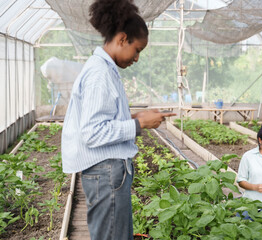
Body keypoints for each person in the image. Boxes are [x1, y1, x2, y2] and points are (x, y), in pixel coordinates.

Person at [61, 0, 176, 239]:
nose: (136, 59)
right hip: (105, 172)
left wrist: (136, 116)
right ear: (122, 39)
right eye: (137, 50)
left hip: (106, 172)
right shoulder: (100, 74)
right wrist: (139, 124)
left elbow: (104, 117)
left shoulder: (105, 69)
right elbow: (93, 132)